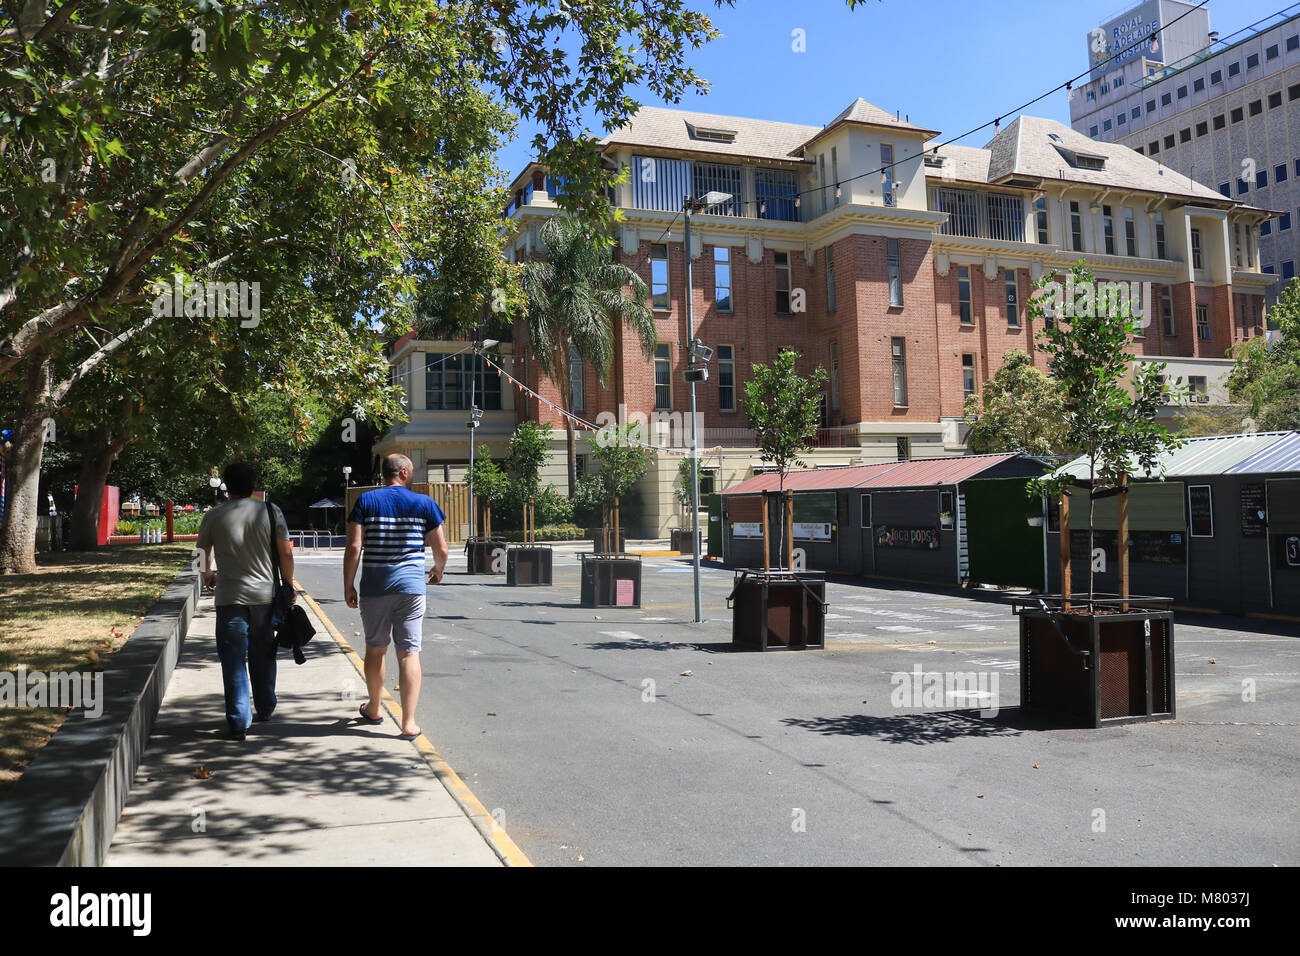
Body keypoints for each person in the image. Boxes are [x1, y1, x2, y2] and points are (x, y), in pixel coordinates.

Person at [344, 453, 448, 739]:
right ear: (403, 472)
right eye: (411, 470)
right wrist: (438, 570)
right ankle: (409, 722)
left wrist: (348, 584)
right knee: (409, 652)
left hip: (375, 587)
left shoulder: (366, 501)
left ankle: (375, 708)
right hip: (412, 588)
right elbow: (442, 549)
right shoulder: (425, 503)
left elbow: (354, 547)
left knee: (375, 649)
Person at [196, 462, 294, 741]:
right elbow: (285, 553)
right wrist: (288, 583)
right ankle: (265, 706)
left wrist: (207, 576)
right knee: (264, 654)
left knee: (233, 659)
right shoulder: (270, 511)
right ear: (253, 484)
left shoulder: (213, 515)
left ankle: (238, 721)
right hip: (264, 597)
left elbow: (201, 552)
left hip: (229, 598)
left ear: (227, 485)